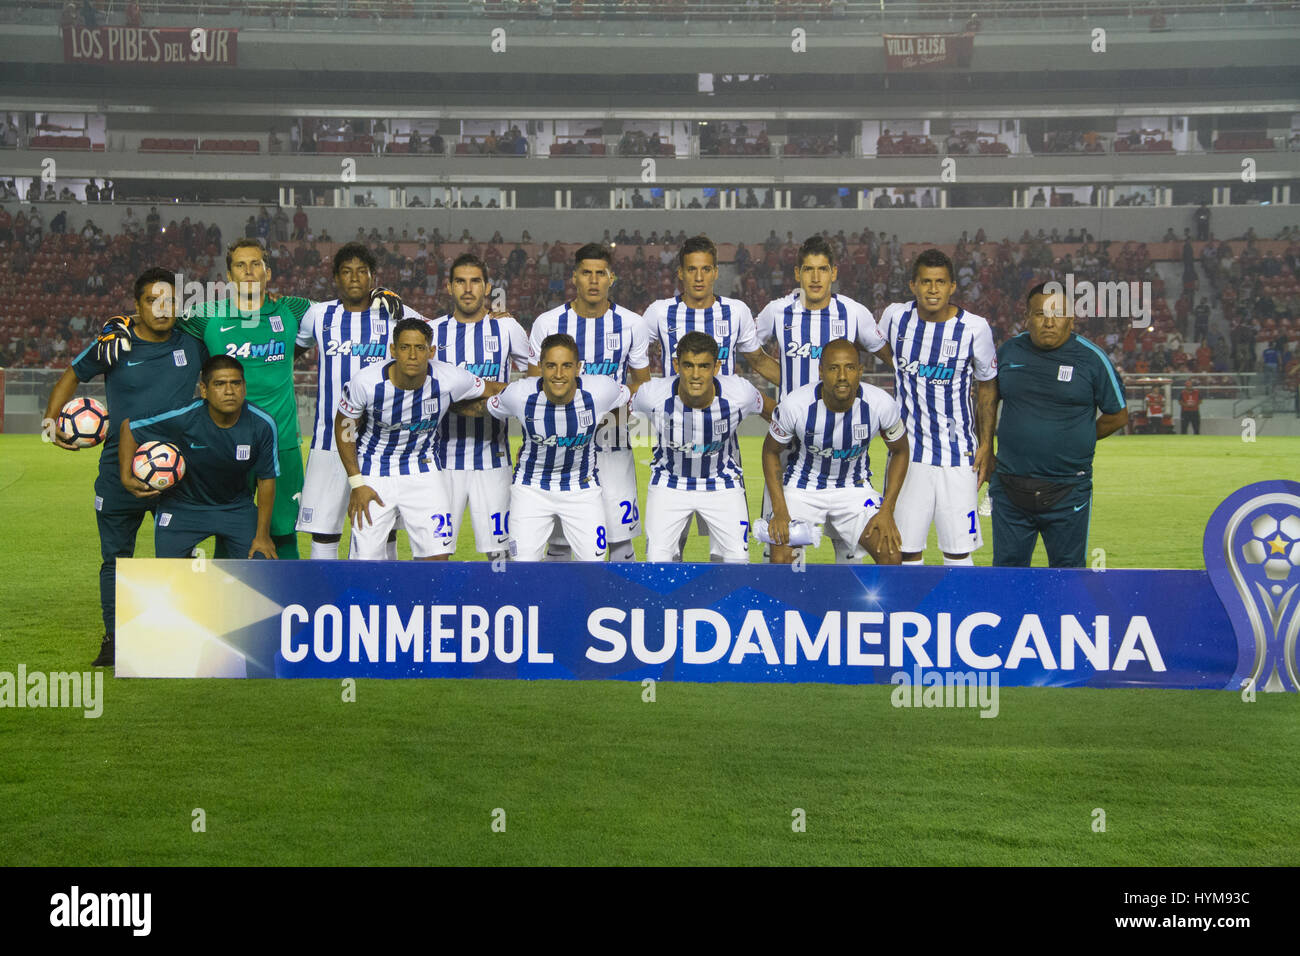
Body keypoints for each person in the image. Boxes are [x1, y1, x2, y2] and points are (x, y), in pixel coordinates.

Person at [43, 269, 206, 667]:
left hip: (178, 470)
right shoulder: (114, 344)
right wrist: (51, 422)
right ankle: (116, 640)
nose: (163, 309)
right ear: (137, 307)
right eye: (153, 301)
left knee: (183, 555)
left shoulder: (195, 343)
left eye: (169, 300)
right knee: (116, 558)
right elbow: (72, 375)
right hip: (119, 468)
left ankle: (180, 635)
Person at [754, 235, 895, 560]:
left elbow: (887, 356)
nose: (815, 278)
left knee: (851, 554)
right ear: (797, 273)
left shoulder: (853, 313)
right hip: (790, 443)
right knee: (784, 550)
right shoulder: (777, 311)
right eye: (808, 270)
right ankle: (789, 603)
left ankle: (849, 606)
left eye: (822, 270)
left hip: (842, 445)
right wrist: (783, 388)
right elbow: (754, 354)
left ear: (834, 272)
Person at [295, 243, 428, 559]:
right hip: (329, 440)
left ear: (373, 277)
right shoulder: (318, 315)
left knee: (382, 528)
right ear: (335, 278)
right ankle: (323, 596)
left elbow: (437, 334)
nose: (354, 278)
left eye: (362, 271)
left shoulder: (394, 312)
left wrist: (489, 315)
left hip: (379, 445)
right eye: (346, 271)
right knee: (325, 531)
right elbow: (293, 349)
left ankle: (384, 597)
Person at [988, 283, 1128, 568]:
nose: (1049, 321)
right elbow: (986, 404)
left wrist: (1078, 438)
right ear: (1026, 317)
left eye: (1058, 314)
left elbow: (1117, 416)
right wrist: (985, 450)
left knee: (1068, 576)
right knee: (1006, 576)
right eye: (1040, 314)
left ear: (1071, 319)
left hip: (1068, 490)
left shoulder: (1093, 359)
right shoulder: (1008, 353)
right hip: (1009, 488)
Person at [334, 319, 499, 560]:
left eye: (420, 348)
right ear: (393, 350)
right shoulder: (365, 383)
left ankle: (424, 599)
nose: (412, 355)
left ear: (431, 352)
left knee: (437, 556)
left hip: (423, 471)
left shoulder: (449, 378)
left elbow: (493, 390)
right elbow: (344, 429)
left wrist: (536, 393)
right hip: (374, 472)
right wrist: (357, 483)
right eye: (404, 347)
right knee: (365, 562)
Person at [527, 244, 651, 561]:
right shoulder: (548, 323)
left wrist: (614, 415)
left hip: (613, 448)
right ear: (574, 277)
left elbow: (643, 385)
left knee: (620, 541)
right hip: (561, 451)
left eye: (600, 273)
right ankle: (561, 609)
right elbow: (532, 387)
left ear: (612, 278)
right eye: (586, 273)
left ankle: (623, 604)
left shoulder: (633, 324)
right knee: (560, 544)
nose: (593, 281)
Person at [876, 249, 998, 567]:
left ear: (952, 286)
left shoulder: (975, 328)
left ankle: (958, 612)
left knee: (958, 552)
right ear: (913, 285)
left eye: (940, 282)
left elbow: (987, 387)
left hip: (959, 457)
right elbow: (874, 344)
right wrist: (901, 366)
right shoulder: (894, 317)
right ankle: (908, 613)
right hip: (908, 456)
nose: (933, 289)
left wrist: (987, 444)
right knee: (903, 550)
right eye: (926, 282)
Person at [762, 339, 910, 565]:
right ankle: (793, 600)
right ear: (821, 371)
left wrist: (887, 510)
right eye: (833, 368)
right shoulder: (796, 405)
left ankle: (874, 602)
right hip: (803, 488)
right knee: (782, 554)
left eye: (850, 367)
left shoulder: (881, 404)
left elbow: (900, 451)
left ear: (860, 371)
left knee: (890, 552)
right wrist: (780, 510)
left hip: (855, 488)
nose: (842, 376)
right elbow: (770, 452)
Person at [119, 355, 278, 563]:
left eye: (236, 383)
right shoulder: (183, 417)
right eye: (219, 384)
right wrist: (126, 477)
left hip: (236, 507)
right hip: (183, 507)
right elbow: (129, 428)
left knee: (262, 565)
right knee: (169, 575)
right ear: (204, 390)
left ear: (244, 387)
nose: (229, 391)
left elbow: (266, 480)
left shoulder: (263, 424)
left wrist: (263, 536)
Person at [632, 332, 775, 562]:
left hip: (722, 482)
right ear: (676, 364)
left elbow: (775, 415)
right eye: (688, 365)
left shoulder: (740, 394)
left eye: (704, 366)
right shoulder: (652, 395)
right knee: (657, 562)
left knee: (738, 559)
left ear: (717, 366)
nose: (696, 375)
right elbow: (618, 409)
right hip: (669, 483)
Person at [486, 334, 630, 562]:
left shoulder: (602, 390)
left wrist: (597, 425)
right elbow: (490, 408)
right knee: (522, 565)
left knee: (594, 564)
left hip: (582, 488)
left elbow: (624, 404)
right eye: (551, 366)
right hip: (530, 488)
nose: (559, 374)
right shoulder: (518, 394)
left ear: (578, 368)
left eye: (567, 366)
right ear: (541, 367)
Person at [427, 253, 531, 560]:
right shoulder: (432, 332)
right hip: (442, 461)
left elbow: (534, 384)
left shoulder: (507, 328)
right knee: (436, 552)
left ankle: (504, 607)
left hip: (493, 460)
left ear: (487, 288)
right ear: (449, 287)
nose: (468, 289)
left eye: (475, 282)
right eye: (460, 281)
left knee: (500, 556)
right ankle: (433, 607)